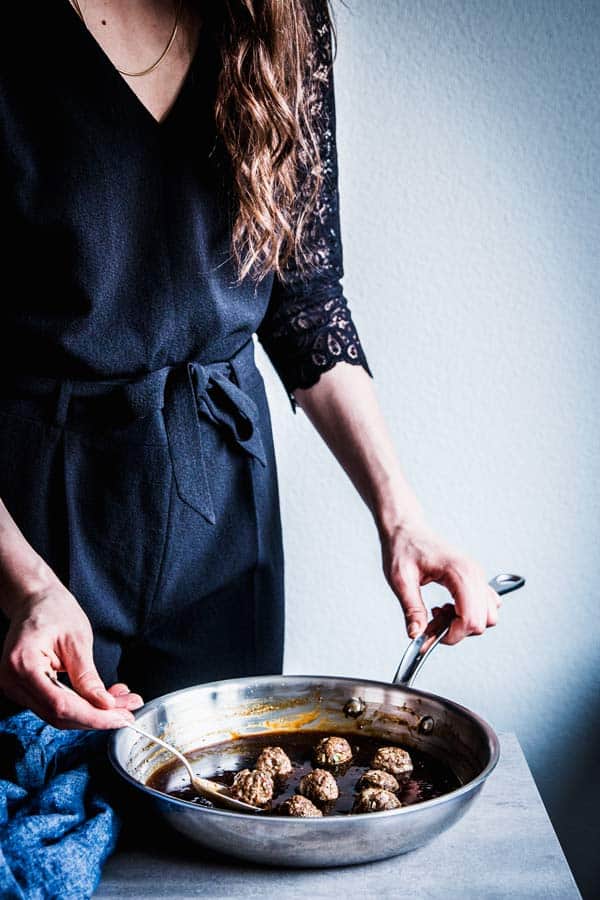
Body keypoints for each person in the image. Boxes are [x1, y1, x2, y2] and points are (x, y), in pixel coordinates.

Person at [0, 0, 502, 732]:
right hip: (34, 513)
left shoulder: (282, 19)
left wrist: (402, 519)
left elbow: (303, 300)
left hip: (226, 508)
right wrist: (26, 590)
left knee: (223, 798)